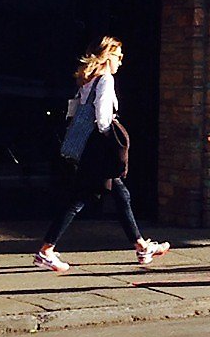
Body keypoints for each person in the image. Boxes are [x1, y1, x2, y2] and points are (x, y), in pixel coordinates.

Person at [34, 35, 169, 272]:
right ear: (107, 56)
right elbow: (103, 118)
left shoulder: (87, 81)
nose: (121, 61)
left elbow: (72, 113)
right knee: (79, 200)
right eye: (118, 56)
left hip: (87, 148)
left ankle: (141, 246)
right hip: (98, 150)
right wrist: (111, 140)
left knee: (119, 194)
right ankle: (46, 250)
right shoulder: (105, 80)